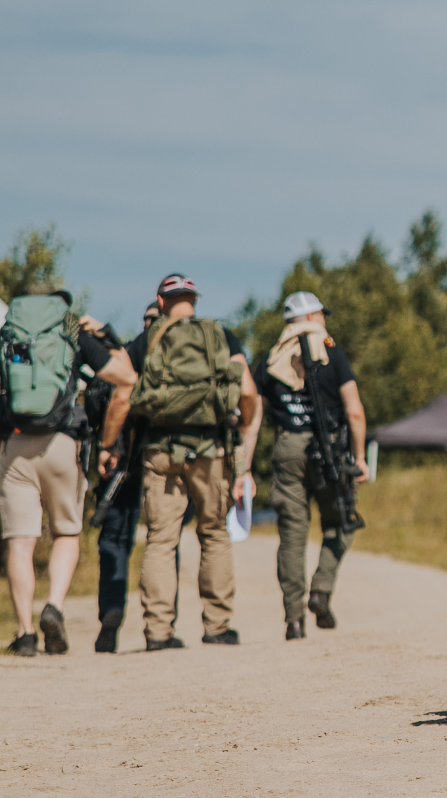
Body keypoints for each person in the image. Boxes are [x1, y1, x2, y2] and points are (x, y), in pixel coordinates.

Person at [0, 289, 136, 656]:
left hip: (15, 444)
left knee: (20, 541)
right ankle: (53, 605)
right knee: (66, 532)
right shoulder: (73, 336)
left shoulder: (6, 334)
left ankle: (25, 633)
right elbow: (126, 377)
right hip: (62, 443)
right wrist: (105, 337)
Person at [99, 274, 260, 651]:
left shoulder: (146, 340)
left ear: (161, 301)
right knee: (214, 534)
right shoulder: (220, 335)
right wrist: (244, 428)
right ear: (194, 300)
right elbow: (248, 391)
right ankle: (217, 626)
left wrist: (108, 445)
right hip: (211, 451)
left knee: (160, 538)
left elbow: (122, 394)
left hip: (160, 451)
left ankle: (157, 631)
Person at [255, 291, 369, 640]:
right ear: (311, 317)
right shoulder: (333, 354)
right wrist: (360, 457)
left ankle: (293, 620)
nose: (325, 320)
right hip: (329, 448)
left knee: (292, 535)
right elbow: (354, 412)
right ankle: (320, 590)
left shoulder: (271, 358)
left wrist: (243, 466)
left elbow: (252, 414)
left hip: (287, 446)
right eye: (322, 314)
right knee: (341, 522)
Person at [91, 302, 161, 653]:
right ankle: (161, 626)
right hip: (164, 458)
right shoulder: (177, 360)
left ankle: (111, 611)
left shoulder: (124, 355)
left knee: (115, 540)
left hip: (120, 460)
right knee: (164, 542)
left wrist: (106, 446)